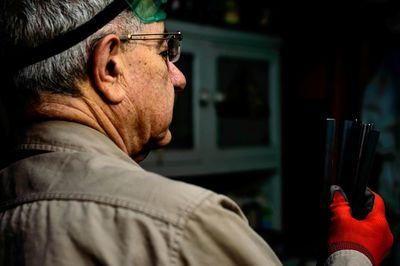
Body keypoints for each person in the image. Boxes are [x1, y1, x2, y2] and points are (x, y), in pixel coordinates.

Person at [0, 0, 393, 265]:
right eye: (164, 51)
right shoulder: (183, 225)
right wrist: (353, 252)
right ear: (110, 67)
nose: (180, 77)